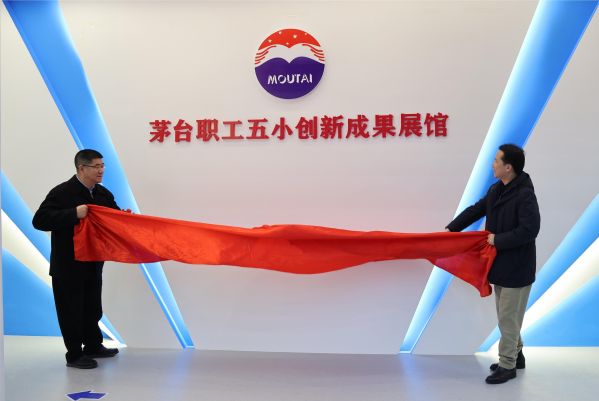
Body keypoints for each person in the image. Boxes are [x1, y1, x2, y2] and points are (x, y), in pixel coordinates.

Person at [445, 144, 540, 384]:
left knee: (507, 318)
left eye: (497, 161)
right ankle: (516, 355)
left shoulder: (525, 194)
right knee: (508, 316)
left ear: (508, 167)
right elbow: (476, 210)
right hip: (500, 265)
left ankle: (507, 365)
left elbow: (530, 230)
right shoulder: (496, 189)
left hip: (518, 267)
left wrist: (498, 239)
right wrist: (450, 230)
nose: (493, 164)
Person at [33, 149, 120, 369]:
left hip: (93, 262)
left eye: (102, 165)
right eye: (96, 166)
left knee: (92, 307)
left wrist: (126, 219)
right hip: (68, 265)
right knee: (71, 311)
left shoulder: (103, 194)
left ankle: (93, 346)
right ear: (82, 168)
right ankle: (74, 354)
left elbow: (115, 218)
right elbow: (40, 220)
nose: (101, 170)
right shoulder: (62, 192)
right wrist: (73, 213)